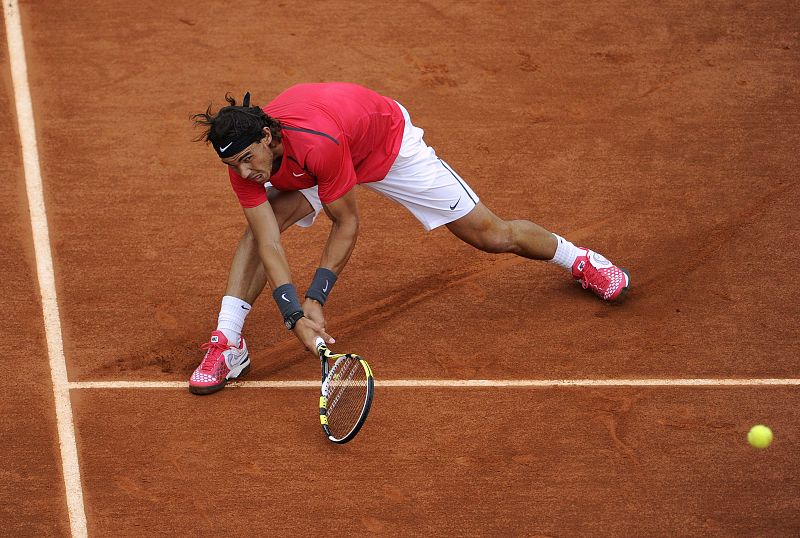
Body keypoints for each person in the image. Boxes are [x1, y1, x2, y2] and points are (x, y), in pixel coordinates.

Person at [188, 82, 630, 395]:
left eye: (249, 160)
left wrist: (316, 299)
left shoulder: (316, 144)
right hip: (322, 155)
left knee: (491, 235)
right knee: (254, 233)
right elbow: (268, 242)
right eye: (235, 166)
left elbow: (347, 224)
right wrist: (291, 314)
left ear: (267, 136)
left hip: (385, 145)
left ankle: (578, 259)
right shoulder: (246, 163)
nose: (246, 174)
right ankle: (229, 342)